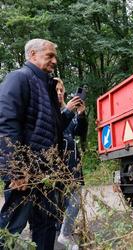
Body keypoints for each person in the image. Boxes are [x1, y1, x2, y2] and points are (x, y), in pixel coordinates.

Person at [0, 39, 81, 250]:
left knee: (46, 226)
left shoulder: (47, 88)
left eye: (55, 56)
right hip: (25, 174)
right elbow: (6, 124)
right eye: (50, 56)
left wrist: (69, 112)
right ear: (33, 55)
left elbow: (54, 129)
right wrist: (15, 171)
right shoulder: (19, 79)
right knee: (11, 228)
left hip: (46, 174)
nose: (55, 61)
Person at [55, 78, 88, 250]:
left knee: (75, 201)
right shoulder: (48, 110)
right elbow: (54, 130)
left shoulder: (66, 110)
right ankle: (60, 235)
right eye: (57, 89)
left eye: (62, 90)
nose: (60, 93)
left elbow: (80, 132)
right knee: (56, 206)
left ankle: (65, 234)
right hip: (54, 167)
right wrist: (68, 111)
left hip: (72, 165)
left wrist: (81, 114)